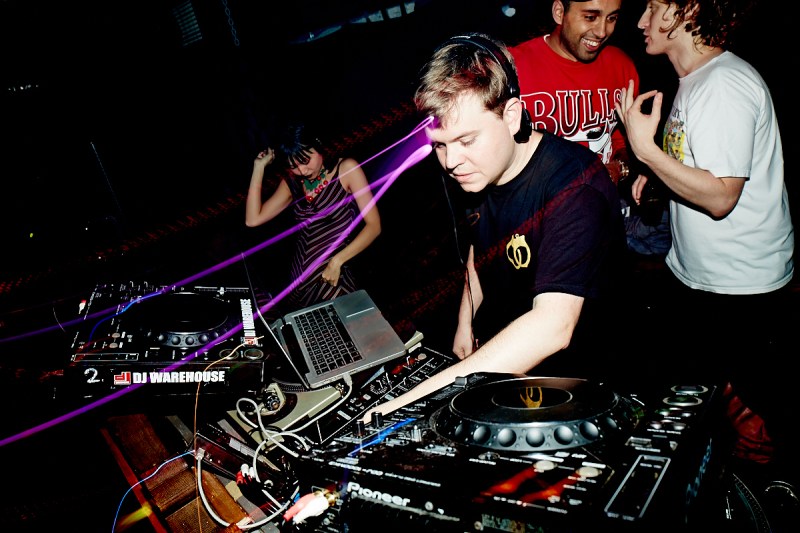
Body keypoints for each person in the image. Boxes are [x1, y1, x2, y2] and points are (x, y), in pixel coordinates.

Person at [363, 33, 625, 419]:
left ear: (512, 116)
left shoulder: (573, 186)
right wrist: (465, 319)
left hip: (582, 386)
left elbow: (553, 325)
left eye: (467, 140)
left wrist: (411, 401)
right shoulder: (479, 174)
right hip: (511, 367)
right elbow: (478, 249)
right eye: (440, 145)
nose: (451, 161)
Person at [616, 0, 795, 490]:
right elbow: (702, 165)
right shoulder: (696, 80)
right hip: (699, 279)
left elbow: (720, 197)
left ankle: (767, 504)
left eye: (654, 7)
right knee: (701, 414)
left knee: (753, 431)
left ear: (688, 10)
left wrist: (647, 151)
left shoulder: (723, 85)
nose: (641, 21)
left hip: (741, 289)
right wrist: (658, 174)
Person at [510, 0, 671, 257]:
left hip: (606, 219)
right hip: (538, 230)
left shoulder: (620, 65)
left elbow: (623, 142)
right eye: (590, 17)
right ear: (559, 12)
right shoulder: (513, 68)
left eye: (612, 18)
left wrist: (619, 168)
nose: (602, 31)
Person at [245, 121, 382, 308]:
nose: (302, 170)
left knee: (347, 321)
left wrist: (337, 261)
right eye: (293, 166)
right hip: (297, 284)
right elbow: (252, 220)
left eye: (305, 161)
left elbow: (374, 226)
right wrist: (259, 167)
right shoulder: (292, 183)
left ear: (318, 146)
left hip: (331, 278)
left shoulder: (346, 169)